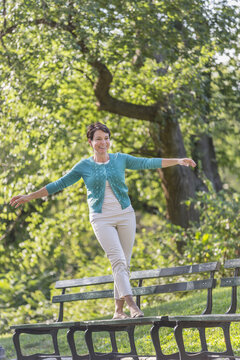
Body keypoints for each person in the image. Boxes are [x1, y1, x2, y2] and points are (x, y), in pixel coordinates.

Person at [9, 122, 196, 319]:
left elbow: (146, 163)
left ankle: (118, 311)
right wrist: (29, 196)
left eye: (106, 138)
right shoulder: (84, 166)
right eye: (98, 139)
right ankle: (133, 306)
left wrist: (177, 160)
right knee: (117, 260)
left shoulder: (120, 159)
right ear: (90, 142)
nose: (103, 142)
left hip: (125, 214)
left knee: (124, 264)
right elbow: (59, 183)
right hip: (101, 218)